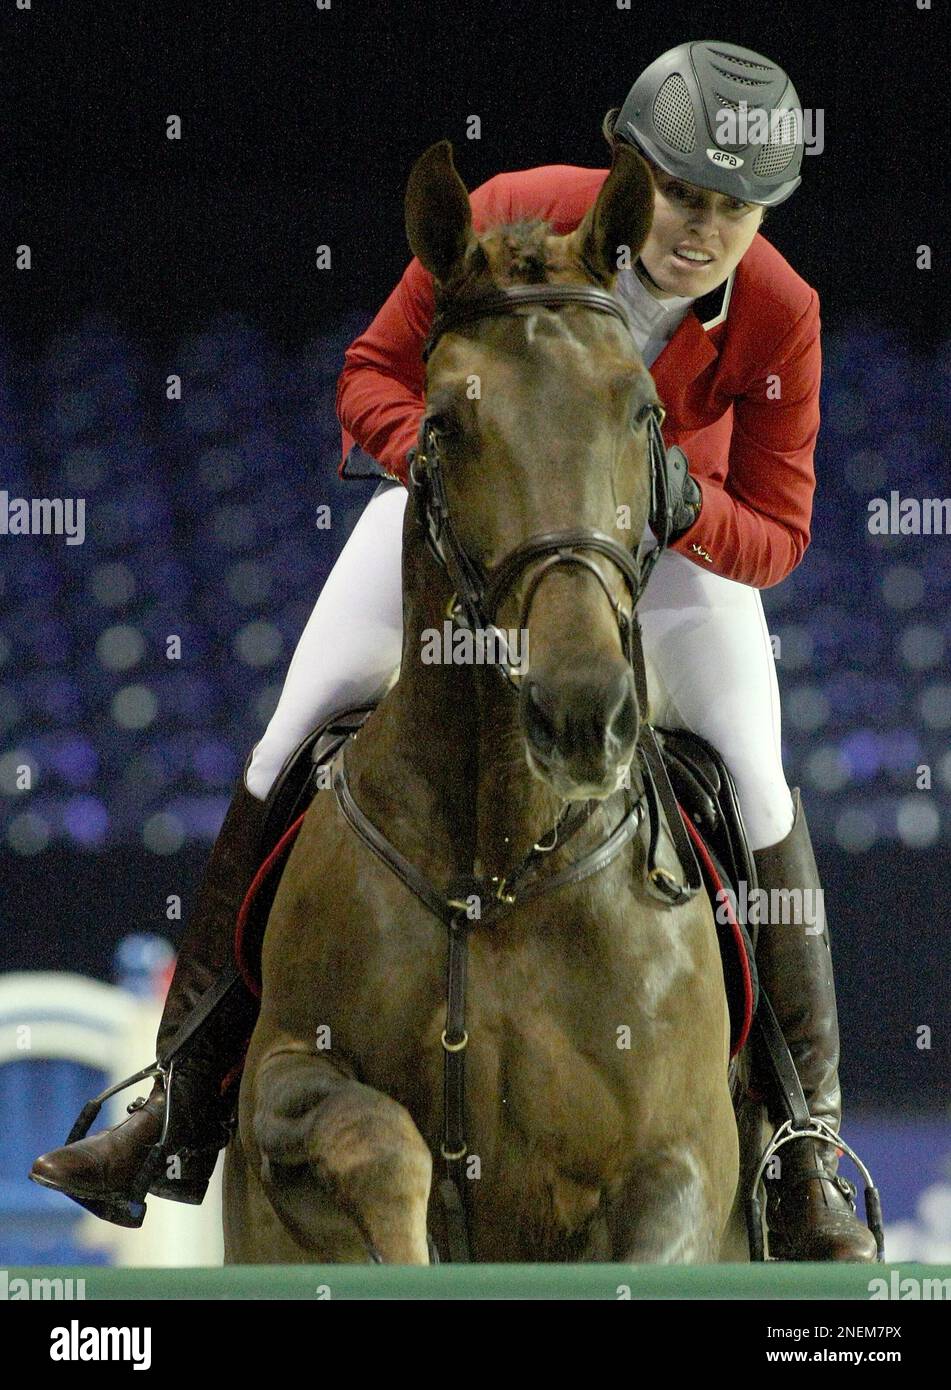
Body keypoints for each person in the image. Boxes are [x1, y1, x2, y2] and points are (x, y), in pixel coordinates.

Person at [31, 40, 876, 1261]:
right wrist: (438, 450)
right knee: (291, 726)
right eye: (686, 195)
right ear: (634, 173)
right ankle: (175, 1101)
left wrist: (671, 496)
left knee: (753, 768)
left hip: (665, 556)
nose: (705, 231)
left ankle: (805, 1149)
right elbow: (370, 375)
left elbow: (783, 533)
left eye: (735, 209)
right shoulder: (506, 218)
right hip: (470, 517)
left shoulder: (781, 313)